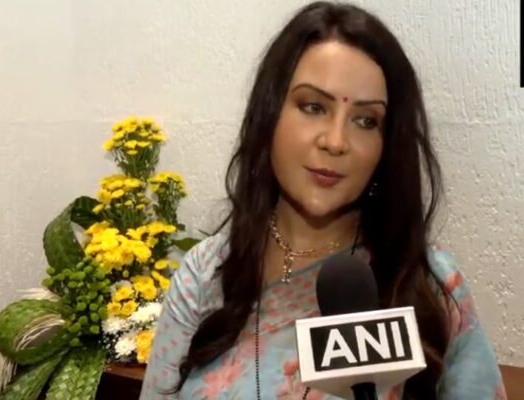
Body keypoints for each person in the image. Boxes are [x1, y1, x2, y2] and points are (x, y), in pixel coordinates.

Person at [140, 2, 506, 399]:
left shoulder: (428, 284)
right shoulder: (206, 274)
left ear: (386, 145)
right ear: (269, 115)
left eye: (366, 120)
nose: (335, 141)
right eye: (313, 107)